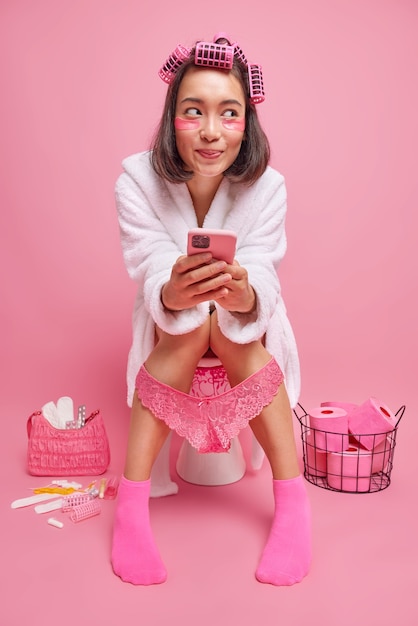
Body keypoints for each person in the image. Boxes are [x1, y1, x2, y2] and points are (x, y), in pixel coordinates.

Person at [111, 33, 311, 586]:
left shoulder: (268, 187)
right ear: (171, 115)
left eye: (229, 113)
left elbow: (264, 266)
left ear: (248, 120)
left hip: (243, 327)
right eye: (192, 111)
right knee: (186, 331)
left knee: (236, 334)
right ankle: (131, 512)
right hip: (171, 325)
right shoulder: (137, 180)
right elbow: (148, 260)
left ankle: (293, 509)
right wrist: (171, 292)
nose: (209, 131)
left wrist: (247, 296)